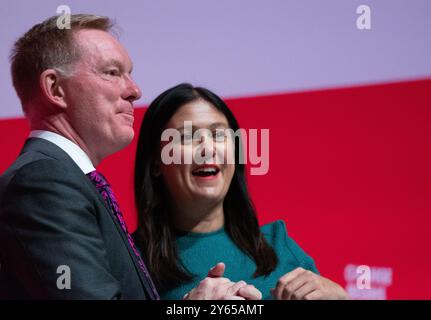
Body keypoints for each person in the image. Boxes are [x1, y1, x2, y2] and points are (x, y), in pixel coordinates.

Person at [0, 14, 260, 300]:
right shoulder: (42, 182)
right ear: (55, 88)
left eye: (130, 74)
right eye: (112, 72)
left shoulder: (68, 180)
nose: (134, 91)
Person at [133, 83, 349, 300]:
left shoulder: (278, 247)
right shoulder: (128, 258)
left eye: (218, 135)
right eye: (187, 136)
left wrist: (342, 298)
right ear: (155, 163)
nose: (208, 149)